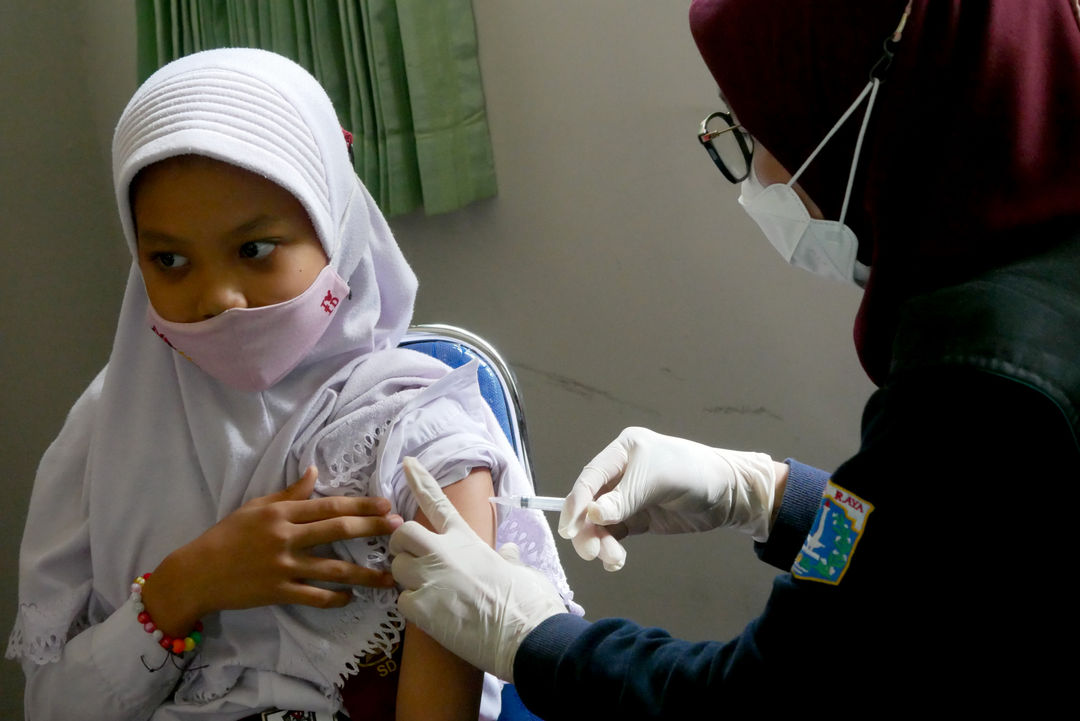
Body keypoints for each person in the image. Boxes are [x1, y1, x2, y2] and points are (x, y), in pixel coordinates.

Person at [388, 0, 1080, 716]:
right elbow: (924, 556)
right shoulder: (1036, 253)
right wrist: (774, 496)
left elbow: (760, 702)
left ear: (862, 107)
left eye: (750, 128)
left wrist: (532, 636)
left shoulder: (983, 391)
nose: (758, 171)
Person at [5, 48, 576, 721]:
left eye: (254, 249)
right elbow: (52, 708)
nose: (219, 297)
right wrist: (184, 585)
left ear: (332, 227)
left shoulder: (418, 435)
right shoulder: (105, 430)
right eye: (169, 259)